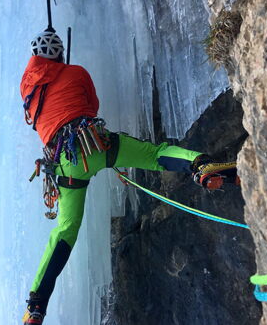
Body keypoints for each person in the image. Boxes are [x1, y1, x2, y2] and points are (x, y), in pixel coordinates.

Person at [20, 31, 237, 324]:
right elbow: (92, 105)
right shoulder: (75, 72)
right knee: (153, 154)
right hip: (95, 142)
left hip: (65, 164)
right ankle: (200, 166)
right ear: (59, 54)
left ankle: (36, 305)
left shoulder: (28, 91)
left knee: (65, 231)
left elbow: (40, 124)